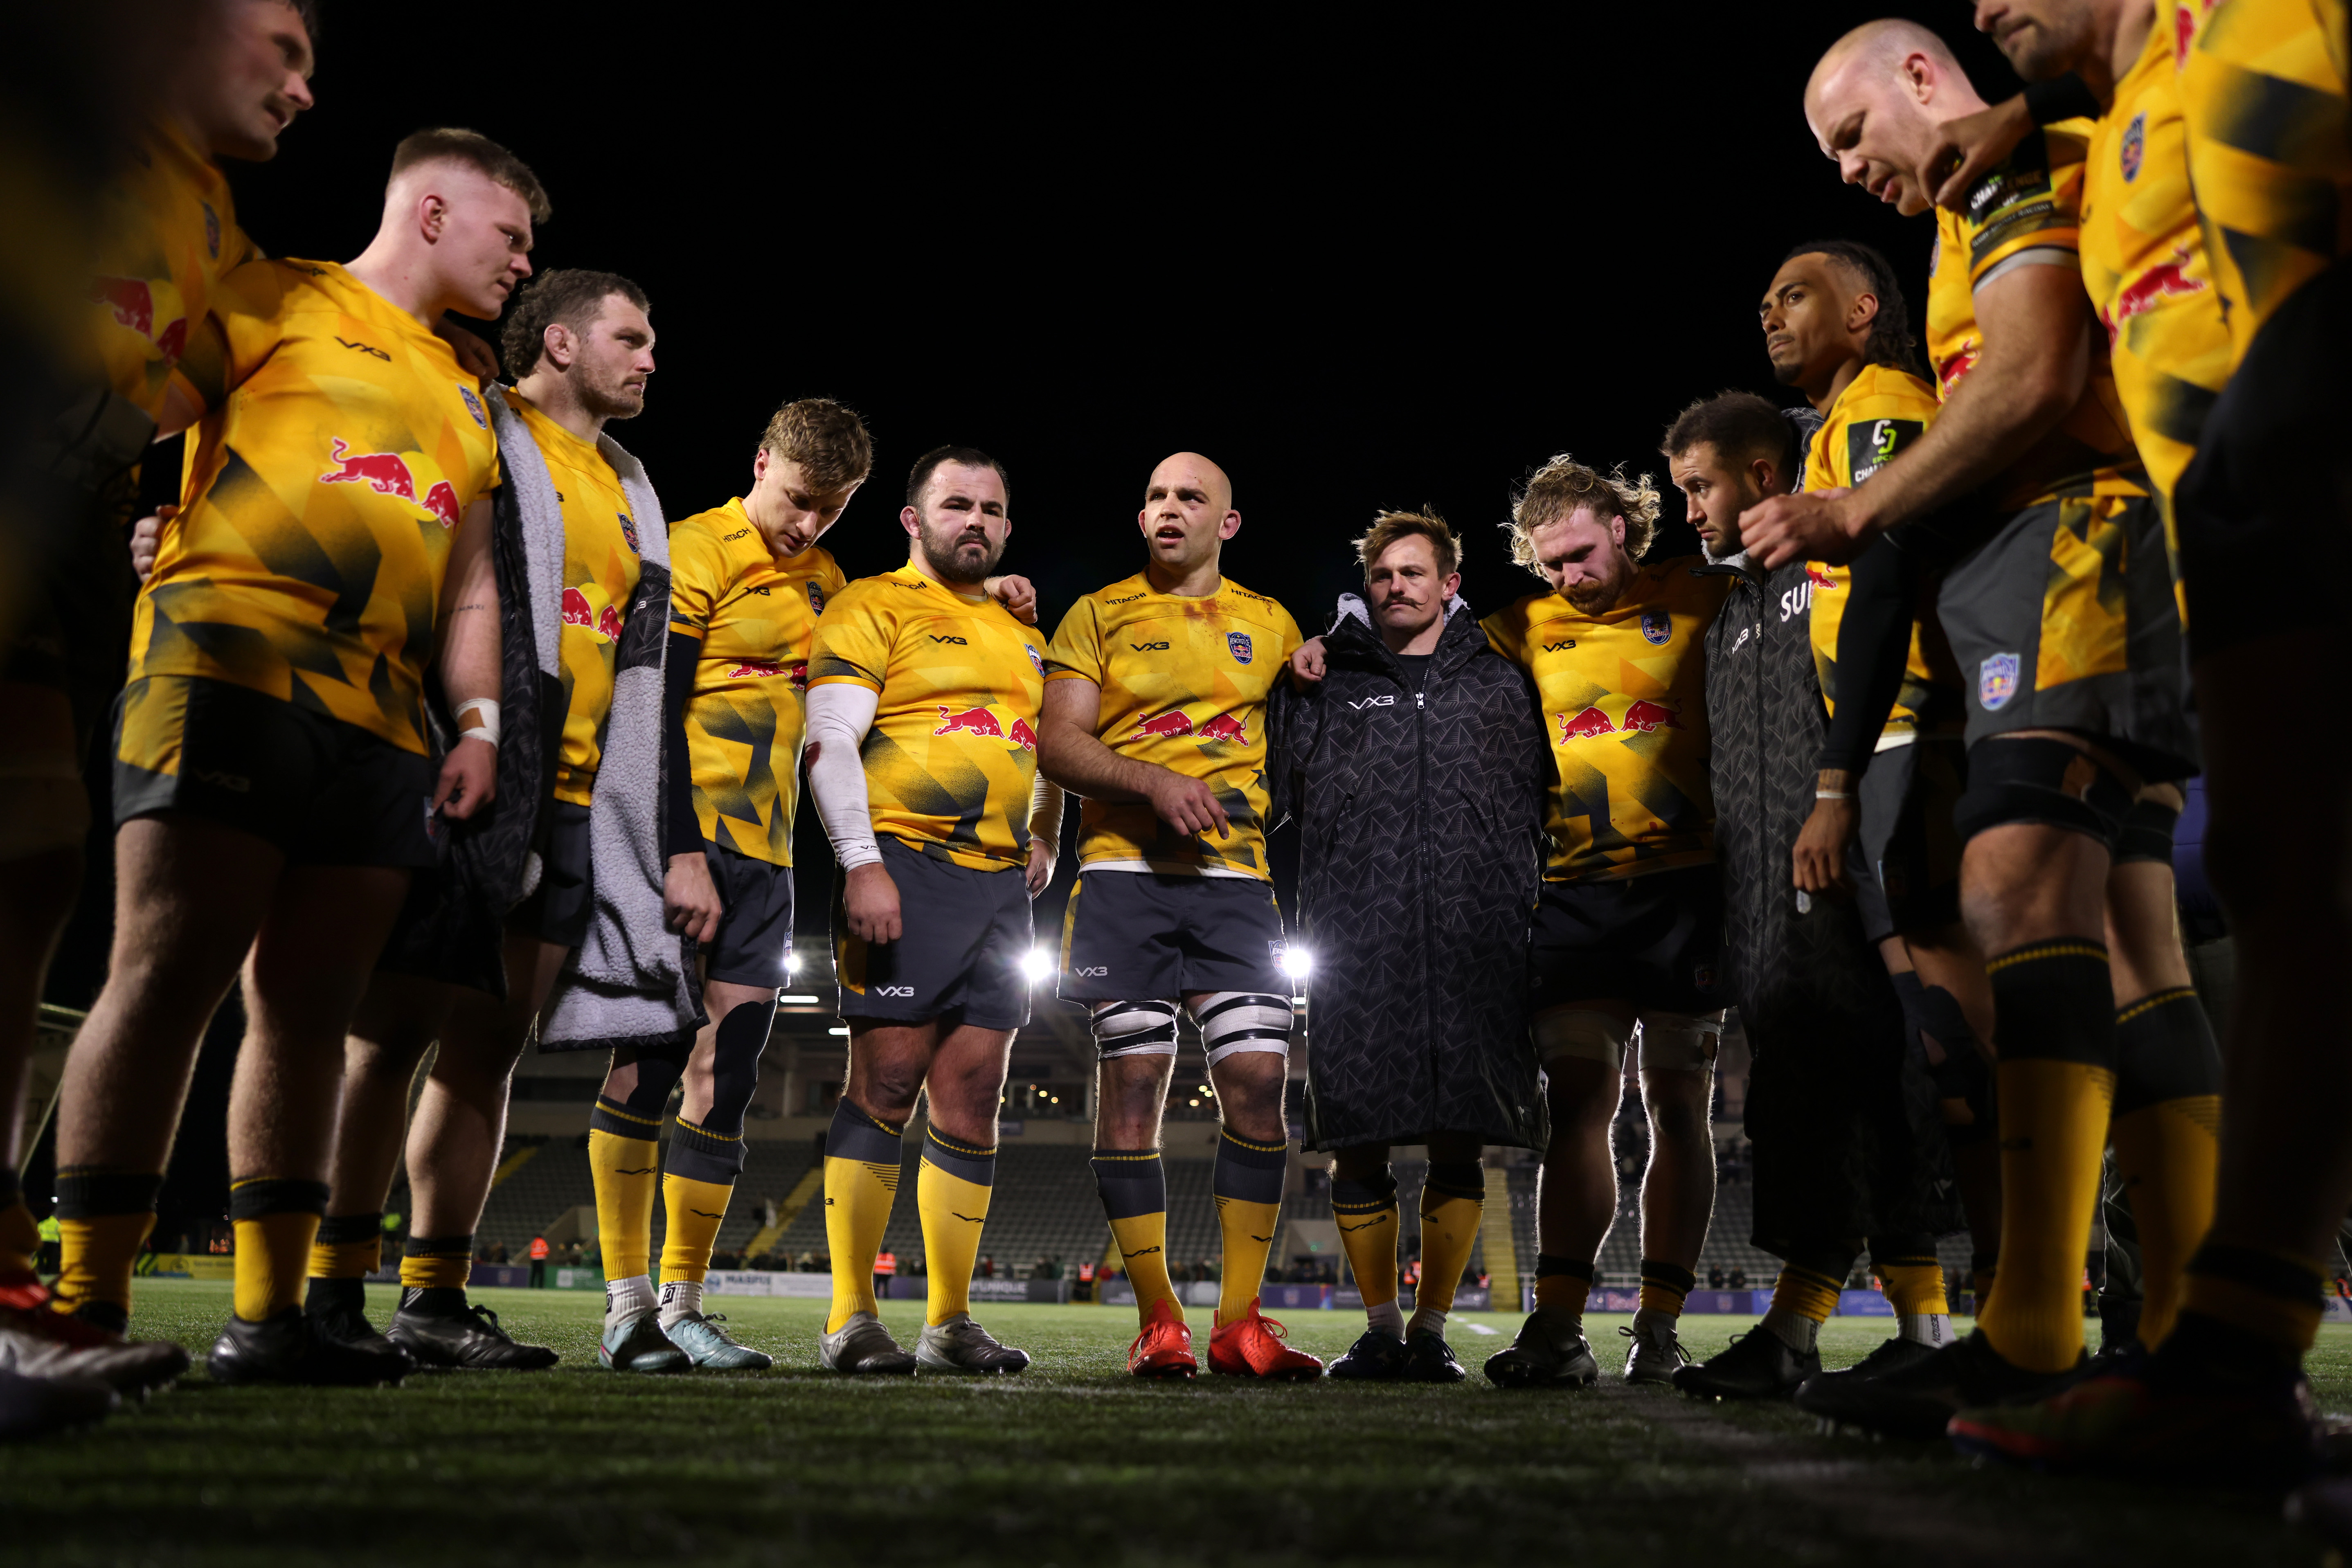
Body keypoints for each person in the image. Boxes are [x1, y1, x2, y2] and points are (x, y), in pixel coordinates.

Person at [1739, 19, 2203, 1437]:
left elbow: (2036, 373)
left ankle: (2036, 1325)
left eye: (1850, 132)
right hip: (2074, 564)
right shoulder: (1989, 192)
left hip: (2075, 554)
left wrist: (1857, 509)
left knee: (2018, 890)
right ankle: (2168, 1334)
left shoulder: (1995, 181)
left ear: (1925, 83)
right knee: (2132, 943)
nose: (1846, 166)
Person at [1903, 0, 2346, 1480]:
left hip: (2283, 471)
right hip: (2227, 519)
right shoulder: (2122, 92)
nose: (1982, 9)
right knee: (2293, 884)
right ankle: (2228, 1347)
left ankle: (2189, 1338)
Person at [46, 125, 531, 1386]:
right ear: (430, 211)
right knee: (164, 972)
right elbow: (113, 420)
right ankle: (82, 1303)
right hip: (225, 665)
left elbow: (471, 582)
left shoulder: (467, 393)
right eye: (510, 234)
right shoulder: (271, 295)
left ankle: (273, 1320)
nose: (523, 263)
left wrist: (474, 723)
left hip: (381, 723)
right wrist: (133, 534)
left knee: (311, 1011)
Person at [0, 0, 329, 1405]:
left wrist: (160, 511)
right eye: (285, 49)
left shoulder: (231, 245)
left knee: (31, 866)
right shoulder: (65, 132)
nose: (304, 89)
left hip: (66, 527)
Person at [1293, 457, 1733, 1388]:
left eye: (1577, 555)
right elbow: (1413, 640)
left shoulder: (1699, 591)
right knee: (1578, 1103)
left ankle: (1658, 1327)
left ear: (1620, 524)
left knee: (1681, 1108)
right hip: (1576, 895)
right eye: (1548, 564)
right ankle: (1559, 1328)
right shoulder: (1519, 631)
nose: (1566, 578)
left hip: (1688, 890)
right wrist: (1334, 628)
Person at [1657, 377, 1963, 1407]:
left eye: (1698, 487)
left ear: (1762, 474)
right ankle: (1805, 1327)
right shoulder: (1731, 606)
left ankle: (1917, 1325)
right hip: (1760, 893)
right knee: (1808, 1095)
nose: (1688, 510)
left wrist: (1838, 811)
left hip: (1840, 859)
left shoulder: (1829, 569)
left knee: (1881, 1076)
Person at [1035, 452, 1319, 1381]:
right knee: (1131, 1092)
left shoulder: (1269, 622)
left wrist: (1321, 656)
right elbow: (1061, 743)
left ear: (1226, 524)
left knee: (1256, 1082)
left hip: (1236, 883)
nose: (1166, 508)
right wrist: (1152, 781)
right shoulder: (1098, 614)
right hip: (1122, 877)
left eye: (1189, 497)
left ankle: (1241, 1322)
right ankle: (1159, 1320)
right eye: (1154, 494)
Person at [1266, 511, 1548, 1383]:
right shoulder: (1323, 681)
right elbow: (1274, 788)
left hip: (1478, 937)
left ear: (1450, 584)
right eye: (1383, 574)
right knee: (1359, 1139)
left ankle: (1430, 1331)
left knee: (1461, 1139)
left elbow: (1549, 791)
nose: (1397, 587)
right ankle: (1380, 1326)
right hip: (1357, 936)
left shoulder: (1505, 680)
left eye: (1413, 573)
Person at [802, 445, 1060, 1375]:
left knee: (974, 1097)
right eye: (957, 505)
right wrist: (861, 865)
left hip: (998, 886)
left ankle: (949, 1322)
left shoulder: (1028, 632)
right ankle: (849, 1317)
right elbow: (828, 741)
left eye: (993, 509)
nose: (977, 522)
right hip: (905, 863)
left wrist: (1047, 833)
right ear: (913, 519)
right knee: (886, 1082)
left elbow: (1041, 744)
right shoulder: (871, 605)